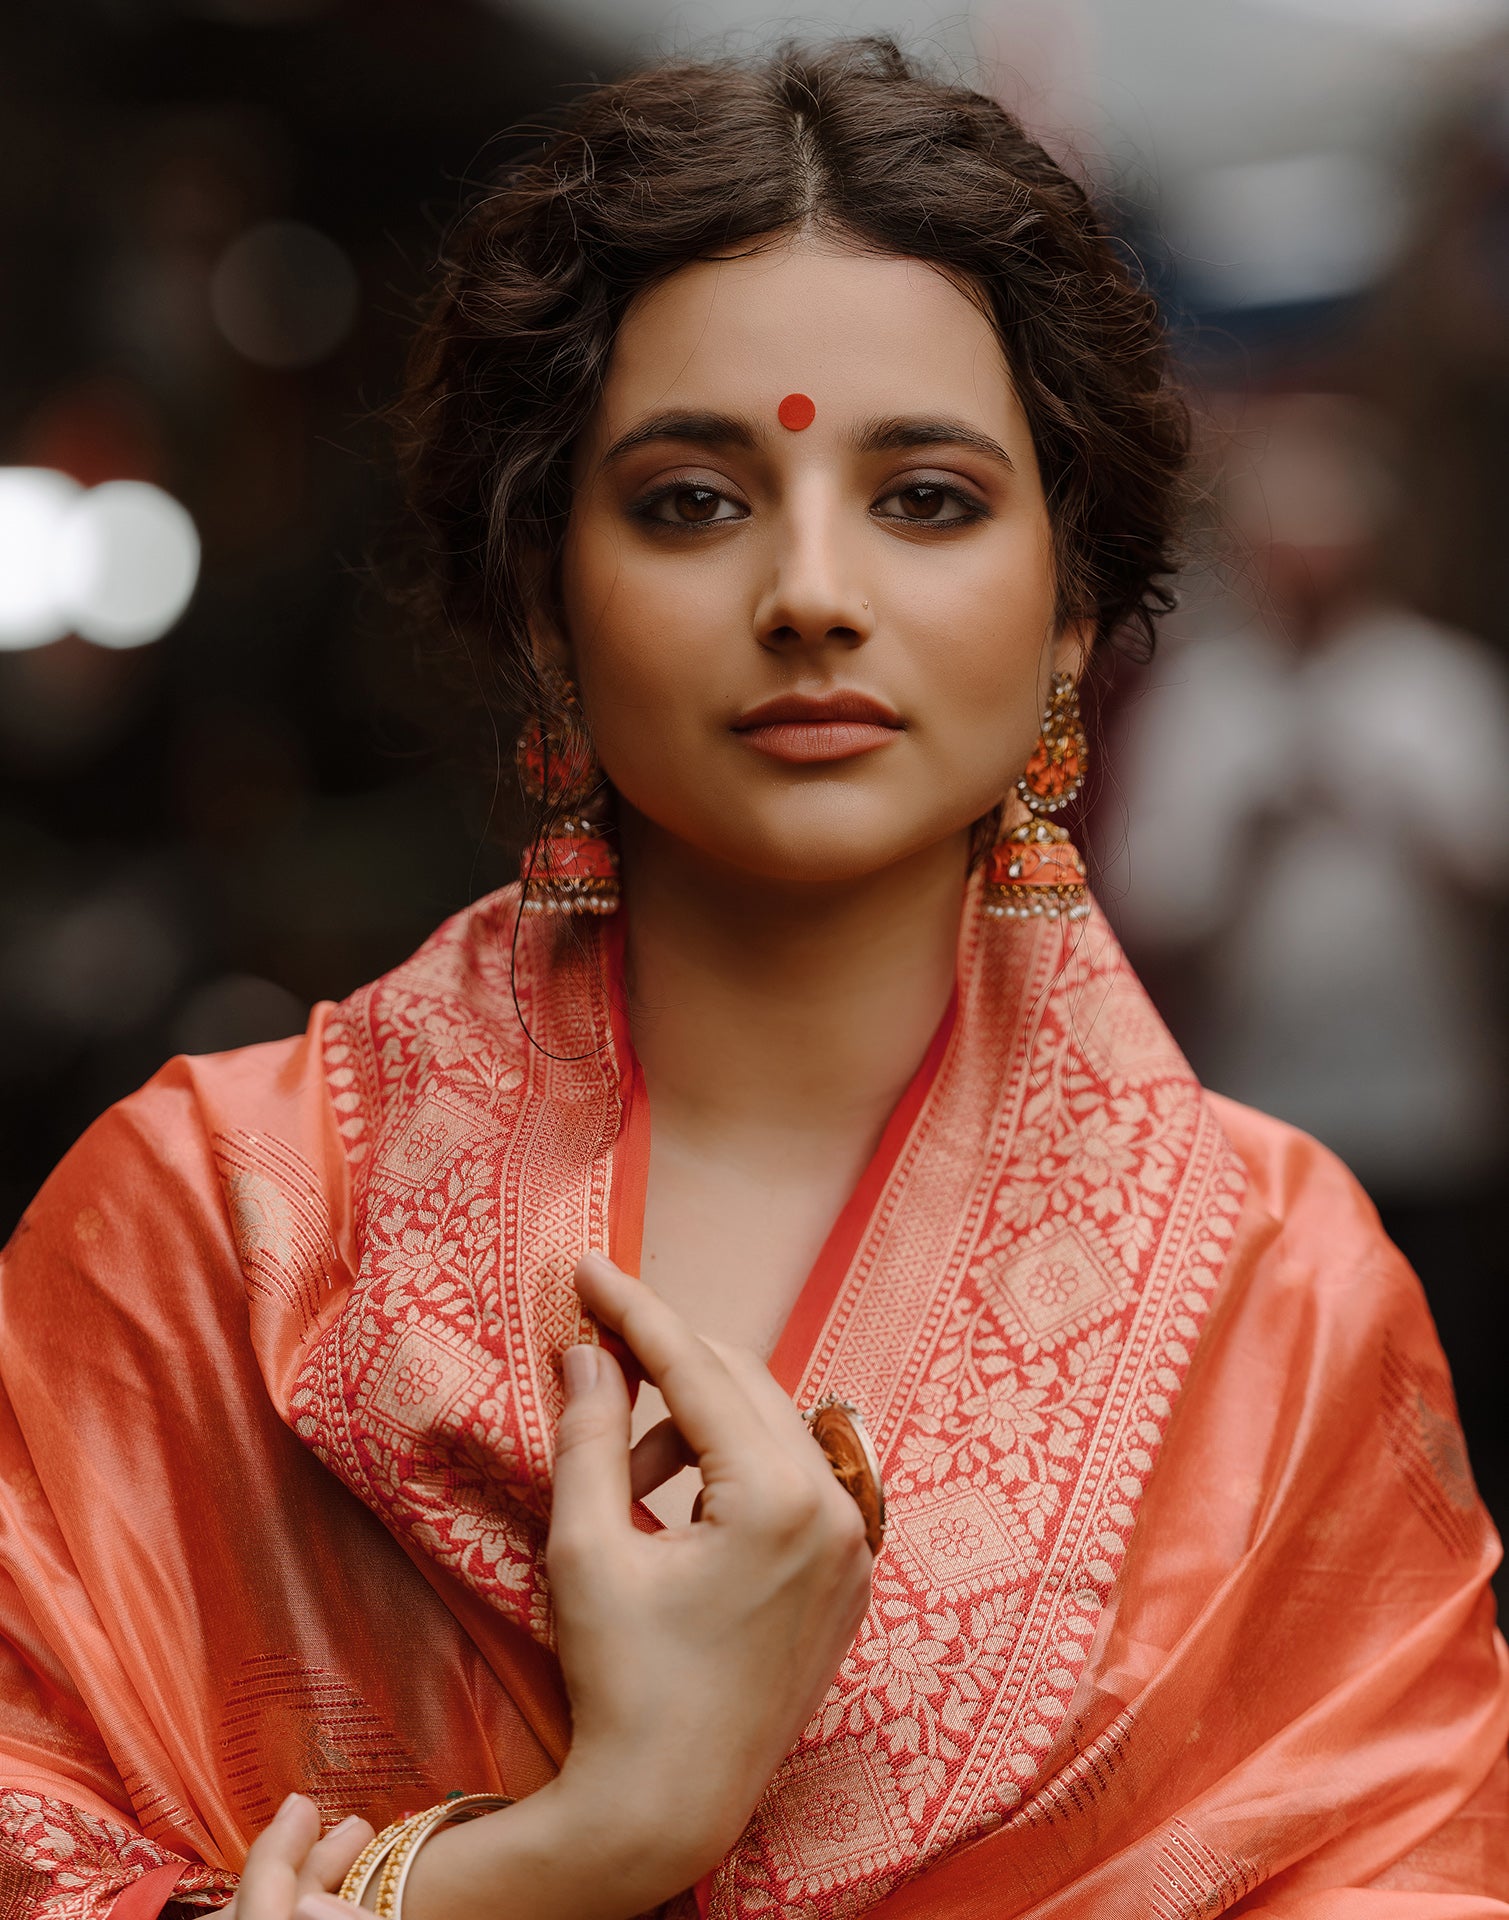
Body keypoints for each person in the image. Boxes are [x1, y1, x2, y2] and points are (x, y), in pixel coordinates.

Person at [0, 39, 1504, 1920]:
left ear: (1067, 619)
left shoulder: (1281, 1308)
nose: (809, 590)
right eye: (694, 500)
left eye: (927, 498)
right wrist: (597, 1840)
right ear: (545, 610)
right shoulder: (206, 1240)